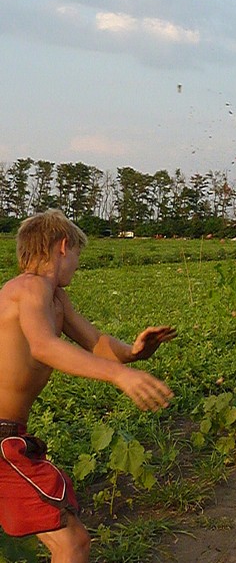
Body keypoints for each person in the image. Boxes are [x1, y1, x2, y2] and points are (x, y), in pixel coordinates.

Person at [0, 209, 176, 563]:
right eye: (78, 256)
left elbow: (95, 342)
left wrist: (134, 353)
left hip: (9, 433)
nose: (77, 267)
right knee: (73, 543)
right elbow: (43, 346)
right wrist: (119, 376)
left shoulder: (56, 299)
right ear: (64, 246)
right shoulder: (27, 287)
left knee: (66, 540)